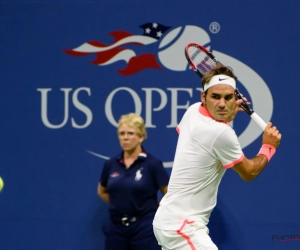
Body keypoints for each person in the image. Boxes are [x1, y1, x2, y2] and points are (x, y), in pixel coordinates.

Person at [152, 65, 281, 249]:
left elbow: (208, 140)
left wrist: (228, 116)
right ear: (203, 97)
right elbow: (249, 172)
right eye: (215, 97)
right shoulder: (221, 133)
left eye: (228, 98)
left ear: (235, 98)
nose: (222, 103)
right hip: (183, 227)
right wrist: (269, 147)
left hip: (168, 220)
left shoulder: (193, 110)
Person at [98, 113, 169, 250]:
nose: (125, 137)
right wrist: (120, 204)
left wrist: (150, 208)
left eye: (130, 133)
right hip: (116, 228)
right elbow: (101, 191)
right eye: (122, 133)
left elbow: (169, 193)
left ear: (141, 137)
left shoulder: (152, 164)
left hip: (145, 228)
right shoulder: (111, 164)